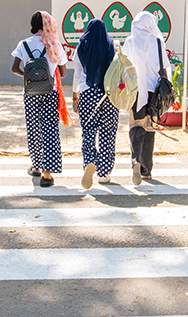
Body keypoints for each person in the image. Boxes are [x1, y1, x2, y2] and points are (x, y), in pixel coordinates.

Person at [11, 11, 69, 187]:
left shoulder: (23, 44)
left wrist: (28, 77)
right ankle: (47, 174)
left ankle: (36, 166)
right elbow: (64, 73)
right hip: (50, 92)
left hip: (30, 94)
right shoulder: (54, 44)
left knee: (33, 129)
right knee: (50, 130)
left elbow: (14, 68)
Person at [123, 11, 171, 186]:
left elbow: (123, 66)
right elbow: (164, 68)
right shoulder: (157, 42)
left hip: (135, 92)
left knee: (136, 126)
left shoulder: (129, 42)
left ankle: (135, 160)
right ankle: (146, 170)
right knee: (150, 128)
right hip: (154, 93)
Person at [72, 19, 119, 189]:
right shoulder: (111, 45)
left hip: (87, 92)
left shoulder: (81, 46)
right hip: (109, 94)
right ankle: (104, 173)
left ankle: (90, 163)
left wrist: (75, 95)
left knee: (89, 131)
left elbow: (77, 74)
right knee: (108, 132)